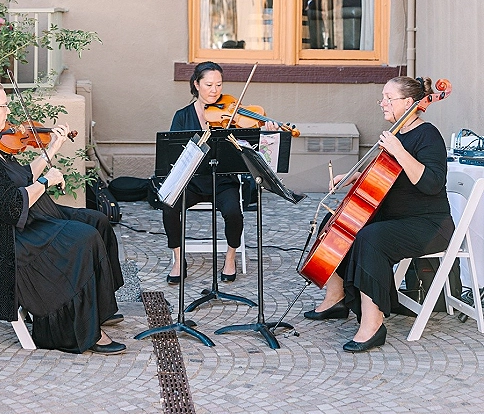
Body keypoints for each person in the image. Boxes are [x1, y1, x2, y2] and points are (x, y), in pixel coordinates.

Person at [0, 73, 126, 355]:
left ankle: (99, 309)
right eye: (3, 106)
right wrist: (46, 182)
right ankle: (81, 329)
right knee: (83, 238)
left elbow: (21, 177)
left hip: (24, 220)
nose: (8, 112)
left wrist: (53, 149)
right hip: (8, 238)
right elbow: (11, 206)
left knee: (97, 220)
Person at [304, 76, 454, 352]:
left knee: (370, 237)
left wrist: (398, 151)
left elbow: (432, 184)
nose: (382, 103)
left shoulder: (427, 134)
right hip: (396, 218)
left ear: (409, 103)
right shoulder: (397, 132)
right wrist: (355, 178)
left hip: (428, 224)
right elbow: (388, 179)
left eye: (388, 98)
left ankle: (373, 324)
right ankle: (336, 298)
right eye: (382, 97)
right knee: (336, 223)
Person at [163, 61, 277, 284]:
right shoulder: (182, 116)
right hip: (192, 182)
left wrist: (265, 133)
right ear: (196, 85)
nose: (214, 91)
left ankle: (230, 258)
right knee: (168, 207)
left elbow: (251, 149)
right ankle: (178, 258)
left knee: (234, 212)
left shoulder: (232, 115)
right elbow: (173, 154)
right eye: (208, 85)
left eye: (218, 85)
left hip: (224, 181)